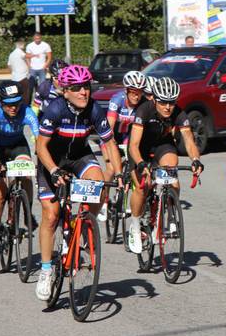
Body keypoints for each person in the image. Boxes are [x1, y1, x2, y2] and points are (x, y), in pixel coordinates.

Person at [34, 64, 123, 301]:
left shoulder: (94, 109)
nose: (84, 92)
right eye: (77, 88)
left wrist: (120, 173)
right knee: (51, 215)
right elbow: (40, 146)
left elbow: (109, 143)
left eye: (86, 87)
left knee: (99, 184)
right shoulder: (54, 109)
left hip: (79, 157)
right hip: (52, 160)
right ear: (65, 91)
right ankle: (45, 270)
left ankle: (81, 228)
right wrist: (52, 170)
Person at [127, 77, 203, 254]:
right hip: (141, 149)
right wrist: (139, 163)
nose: (168, 107)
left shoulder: (179, 114)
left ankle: (168, 211)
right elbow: (133, 145)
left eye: (172, 102)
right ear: (154, 99)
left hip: (163, 146)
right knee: (142, 186)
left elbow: (190, 142)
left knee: (173, 177)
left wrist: (195, 160)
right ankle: (136, 225)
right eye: (163, 102)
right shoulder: (143, 111)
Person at [0, 81, 40, 257]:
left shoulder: (28, 112)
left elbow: (39, 140)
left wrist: (42, 160)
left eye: (17, 103)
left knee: (26, 175)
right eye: (9, 104)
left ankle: (27, 212)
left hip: (18, 146)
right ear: (0, 102)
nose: (14, 108)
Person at [99, 70, 147, 220]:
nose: (136, 96)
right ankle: (104, 203)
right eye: (133, 92)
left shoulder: (143, 104)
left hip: (128, 138)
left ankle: (130, 201)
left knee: (134, 169)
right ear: (126, 91)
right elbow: (110, 127)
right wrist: (112, 149)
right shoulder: (117, 100)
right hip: (111, 137)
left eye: (139, 92)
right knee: (112, 168)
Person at [26, 32, 52, 100]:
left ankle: (42, 100)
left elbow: (49, 57)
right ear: (33, 38)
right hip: (33, 69)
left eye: (38, 38)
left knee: (43, 86)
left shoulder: (46, 45)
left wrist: (45, 65)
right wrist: (29, 66)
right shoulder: (29, 46)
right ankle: (30, 101)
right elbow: (27, 56)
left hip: (42, 69)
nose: (37, 40)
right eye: (36, 38)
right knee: (31, 86)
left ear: (41, 38)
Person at [7, 39, 30, 104]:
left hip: (14, 78)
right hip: (22, 77)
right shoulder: (20, 51)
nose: (24, 46)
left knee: (15, 95)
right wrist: (35, 55)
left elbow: (9, 65)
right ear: (21, 45)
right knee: (25, 95)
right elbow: (26, 56)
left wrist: (14, 71)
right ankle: (25, 108)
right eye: (23, 44)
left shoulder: (11, 54)